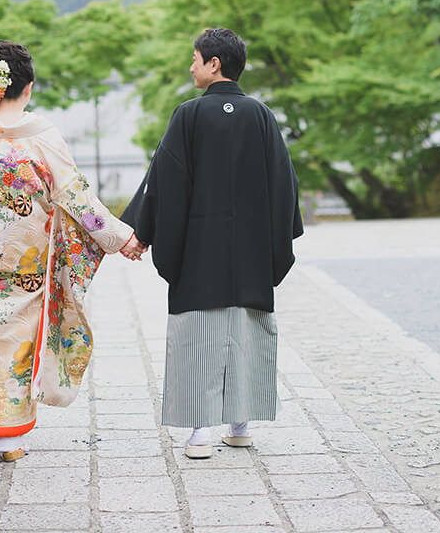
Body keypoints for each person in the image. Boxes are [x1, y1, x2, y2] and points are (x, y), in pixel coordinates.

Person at [0, 40, 144, 461]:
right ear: (28, 87)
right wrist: (121, 238)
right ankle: (10, 440)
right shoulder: (43, 136)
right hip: (27, 262)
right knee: (18, 344)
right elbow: (76, 197)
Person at [121, 27, 303, 459]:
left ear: (213, 64)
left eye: (195, 58)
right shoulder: (261, 116)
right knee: (244, 330)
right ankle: (240, 425)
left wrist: (141, 233)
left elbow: (163, 181)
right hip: (251, 252)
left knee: (200, 333)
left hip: (199, 251)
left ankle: (201, 431)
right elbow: (285, 186)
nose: (191, 66)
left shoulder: (188, 115)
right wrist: (275, 242)